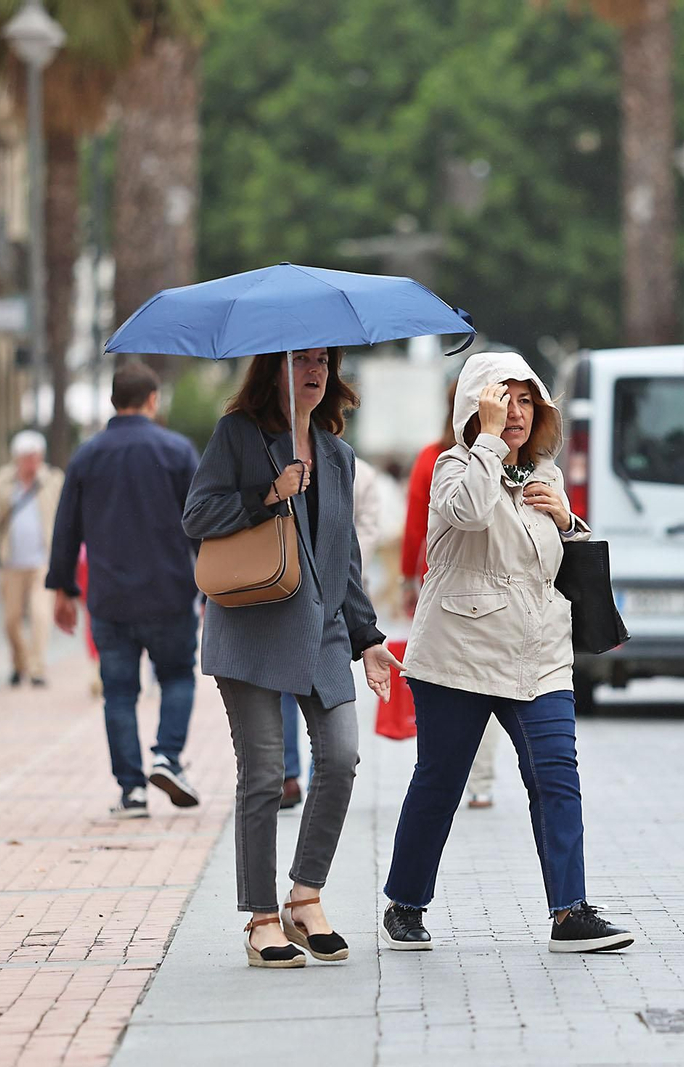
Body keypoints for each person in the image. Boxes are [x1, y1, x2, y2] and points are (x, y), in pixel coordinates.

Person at [381, 350, 633, 955]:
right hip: (459, 653)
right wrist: (488, 443)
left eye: (526, 400)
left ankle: (569, 912)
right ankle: (406, 902)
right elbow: (466, 512)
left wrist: (569, 521)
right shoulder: (454, 467)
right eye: (502, 400)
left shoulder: (544, 475)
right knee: (440, 782)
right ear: (475, 408)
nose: (516, 412)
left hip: (539, 652)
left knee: (557, 778)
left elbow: (546, 564)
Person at [183, 347, 403, 969]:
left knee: (341, 754)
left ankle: (305, 898)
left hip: (325, 627)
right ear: (272, 369)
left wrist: (369, 640)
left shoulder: (337, 454)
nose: (314, 372)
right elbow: (195, 515)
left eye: (323, 362)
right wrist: (265, 495)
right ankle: (259, 919)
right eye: (301, 360)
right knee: (264, 773)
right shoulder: (239, 436)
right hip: (252, 623)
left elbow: (346, 558)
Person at [46, 361, 203, 820]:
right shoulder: (177, 451)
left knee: (119, 693)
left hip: (110, 599)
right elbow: (200, 523)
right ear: (153, 400)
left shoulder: (87, 455)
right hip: (170, 593)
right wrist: (214, 589)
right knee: (175, 677)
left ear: (114, 401)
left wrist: (63, 588)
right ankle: (167, 757)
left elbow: (66, 526)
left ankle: (132, 791)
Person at [400, 381, 503, 809]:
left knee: (449, 680)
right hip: (495, 588)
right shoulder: (502, 459)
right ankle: (480, 781)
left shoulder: (433, 458)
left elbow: (414, 526)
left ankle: (447, 775)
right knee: (490, 677)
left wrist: (409, 577)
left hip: (441, 587)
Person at [281, 455, 385, 810]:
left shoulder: (355, 469)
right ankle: (288, 774)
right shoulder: (275, 458)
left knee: (326, 704)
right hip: (284, 592)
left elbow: (364, 534)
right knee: (284, 687)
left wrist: (334, 563)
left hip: (338, 597)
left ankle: (315, 775)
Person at [0, 430, 64, 688]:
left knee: (41, 615)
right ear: (17, 458)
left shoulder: (52, 480)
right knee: (11, 620)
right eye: (27, 457)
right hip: (12, 561)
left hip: (43, 561)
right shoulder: (2, 482)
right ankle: (19, 663)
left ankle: (37, 668)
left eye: (36, 456)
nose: (32, 462)